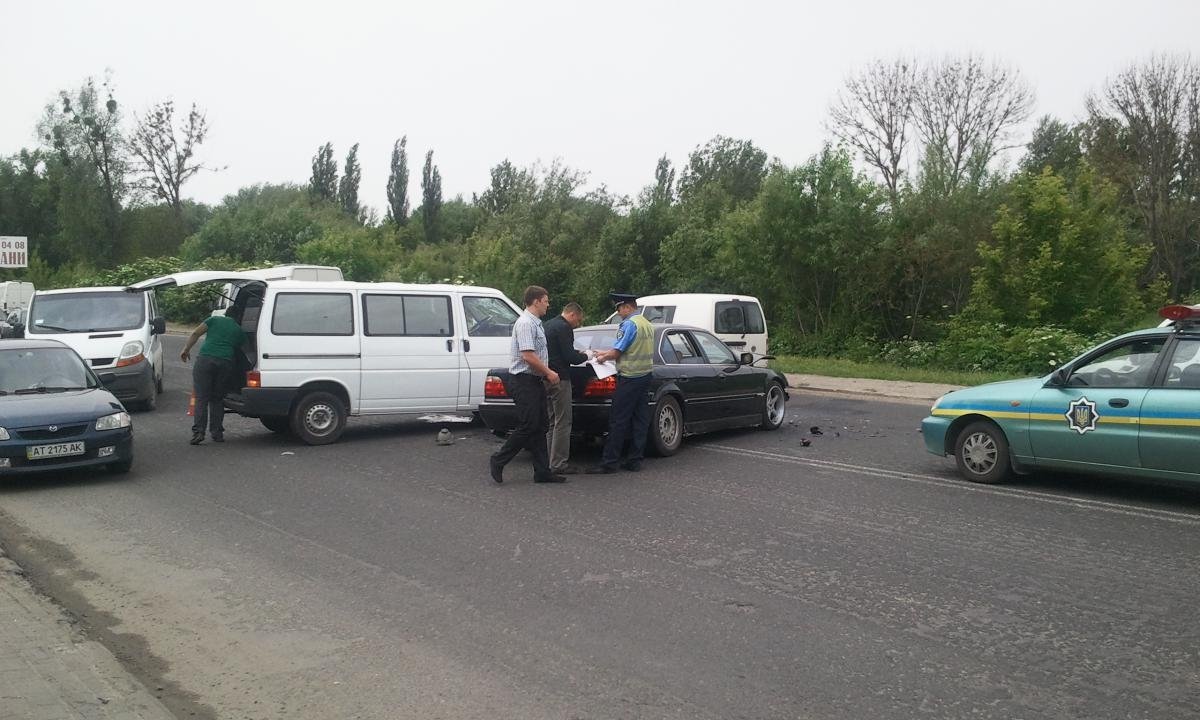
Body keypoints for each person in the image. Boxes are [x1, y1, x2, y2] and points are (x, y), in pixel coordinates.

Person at [489, 286, 567, 484]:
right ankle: (498, 460)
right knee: (529, 424)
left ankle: (542, 472)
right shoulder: (525, 323)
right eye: (546, 301)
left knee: (540, 425)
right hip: (523, 380)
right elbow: (528, 355)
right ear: (536, 301)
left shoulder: (536, 324)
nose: (548, 305)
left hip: (534, 380)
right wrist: (549, 372)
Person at [587, 293, 654, 474]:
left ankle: (609, 462)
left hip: (629, 377)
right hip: (645, 376)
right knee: (640, 420)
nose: (618, 312)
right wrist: (603, 352)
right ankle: (635, 460)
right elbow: (628, 348)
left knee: (618, 420)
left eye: (619, 308)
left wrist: (601, 358)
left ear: (627, 307)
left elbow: (617, 352)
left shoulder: (629, 324)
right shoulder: (646, 324)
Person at [180, 311, 247, 445]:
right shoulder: (238, 330)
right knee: (217, 399)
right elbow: (241, 347)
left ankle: (199, 432)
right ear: (238, 317)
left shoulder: (214, 320)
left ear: (226, 313)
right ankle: (217, 433)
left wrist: (186, 350)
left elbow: (195, 333)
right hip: (225, 362)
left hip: (205, 360)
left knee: (201, 398)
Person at [543, 302, 589, 474]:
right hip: (560, 378)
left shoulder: (548, 325)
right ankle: (559, 463)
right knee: (563, 421)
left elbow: (558, 351)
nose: (578, 324)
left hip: (545, 376)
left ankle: (549, 460)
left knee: (552, 421)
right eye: (578, 320)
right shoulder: (564, 328)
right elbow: (570, 356)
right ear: (572, 315)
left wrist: (577, 353)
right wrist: (586, 355)